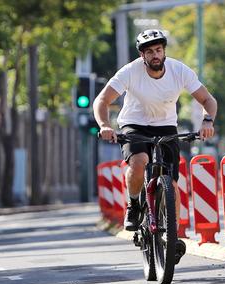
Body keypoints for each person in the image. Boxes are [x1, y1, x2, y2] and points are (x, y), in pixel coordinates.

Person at [93, 29, 218, 263]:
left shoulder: (179, 70)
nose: (155, 55)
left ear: (164, 51)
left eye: (158, 50)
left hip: (166, 126)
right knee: (139, 162)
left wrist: (207, 121)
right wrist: (104, 125)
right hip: (134, 125)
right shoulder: (130, 71)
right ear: (142, 55)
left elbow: (208, 100)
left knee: (170, 183)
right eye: (150, 52)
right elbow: (102, 100)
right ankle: (134, 204)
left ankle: (174, 234)